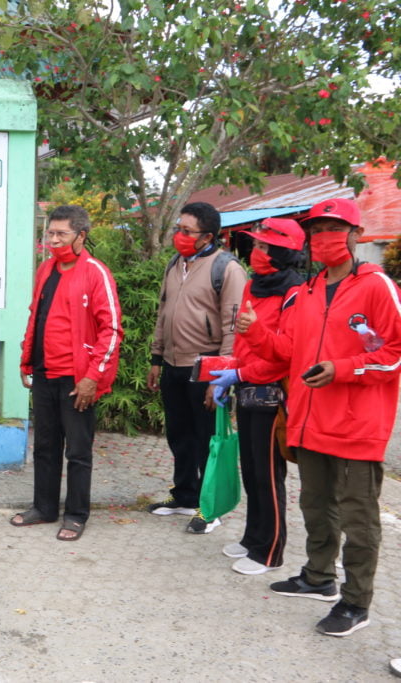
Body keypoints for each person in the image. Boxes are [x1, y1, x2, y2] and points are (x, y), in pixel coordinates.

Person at [235, 198, 401, 637]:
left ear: (356, 235)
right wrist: (255, 331)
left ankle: (355, 603)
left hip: (357, 426)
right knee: (315, 505)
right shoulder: (306, 292)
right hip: (309, 421)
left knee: (358, 518)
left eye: (333, 228)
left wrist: (342, 369)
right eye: (316, 230)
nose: (323, 238)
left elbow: (394, 353)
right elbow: (289, 352)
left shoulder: (377, 286)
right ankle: (318, 577)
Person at [9, 205, 123, 541]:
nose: (54, 240)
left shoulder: (96, 273)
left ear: (81, 236)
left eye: (61, 234)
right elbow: (36, 316)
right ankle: (44, 508)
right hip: (45, 374)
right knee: (44, 446)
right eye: (50, 233)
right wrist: (26, 360)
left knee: (78, 451)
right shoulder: (46, 269)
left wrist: (92, 378)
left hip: (78, 380)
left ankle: (75, 515)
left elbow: (112, 330)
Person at [208, 218, 306, 575]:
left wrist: (241, 371)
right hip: (248, 387)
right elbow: (244, 341)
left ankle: (270, 551)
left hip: (272, 394)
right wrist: (230, 373)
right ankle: (253, 538)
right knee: (250, 469)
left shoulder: (296, 292)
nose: (256, 252)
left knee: (268, 475)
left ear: (283, 252)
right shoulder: (254, 285)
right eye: (257, 245)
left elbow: (287, 352)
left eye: (265, 247)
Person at [146, 201, 247, 534]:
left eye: (186, 231)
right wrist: (156, 359)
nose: (179, 235)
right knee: (180, 436)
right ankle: (185, 495)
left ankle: (210, 507)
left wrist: (220, 378)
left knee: (206, 440)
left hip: (207, 367)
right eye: (178, 228)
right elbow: (163, 314)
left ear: (207, 236)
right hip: (173, 364)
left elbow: (233, 327)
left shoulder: (226, 269)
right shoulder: (175, 264)